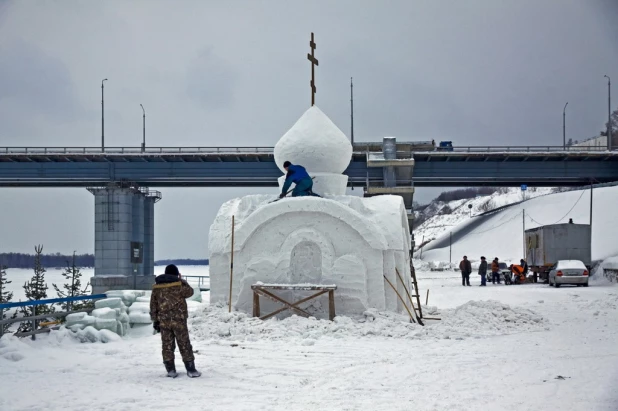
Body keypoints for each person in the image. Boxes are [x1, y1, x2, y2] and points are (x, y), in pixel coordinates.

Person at [150, 264, 201, 378]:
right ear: (176, 274)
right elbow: (190, 292)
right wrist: (181, 280)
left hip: (163, 321)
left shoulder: (157, 287)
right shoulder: (179, 285)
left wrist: (155, 320)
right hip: (179, 321)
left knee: (167, 345)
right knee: (184, 343)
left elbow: (153, 305)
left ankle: (170, 370)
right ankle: (191, 369)